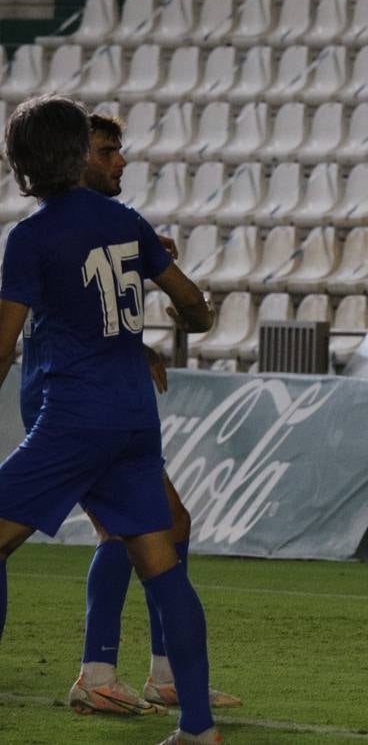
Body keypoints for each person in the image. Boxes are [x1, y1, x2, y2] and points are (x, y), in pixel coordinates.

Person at [0, 95, 222, 745]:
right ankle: (197, 729)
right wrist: (197, 319)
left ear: (22, 165)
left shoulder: (32, 237)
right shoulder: (127, 221)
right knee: (160, 558)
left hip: (73, 417)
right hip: (132, 415)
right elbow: (190, 302)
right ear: (75, 155)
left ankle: (108, 673)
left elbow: (5, 343)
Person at [66, 113, 242, 716]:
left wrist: (134, 346)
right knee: (128, 529)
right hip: (76, 400)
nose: (120, 160)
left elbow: (88, 306)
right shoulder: (62, 229)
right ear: (73, 158)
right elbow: (51, 315)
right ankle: (98, 672)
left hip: (105, 391)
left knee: (172, 523)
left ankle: (159, 674)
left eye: (119, 149)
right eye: (106, 151)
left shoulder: (107, 228)